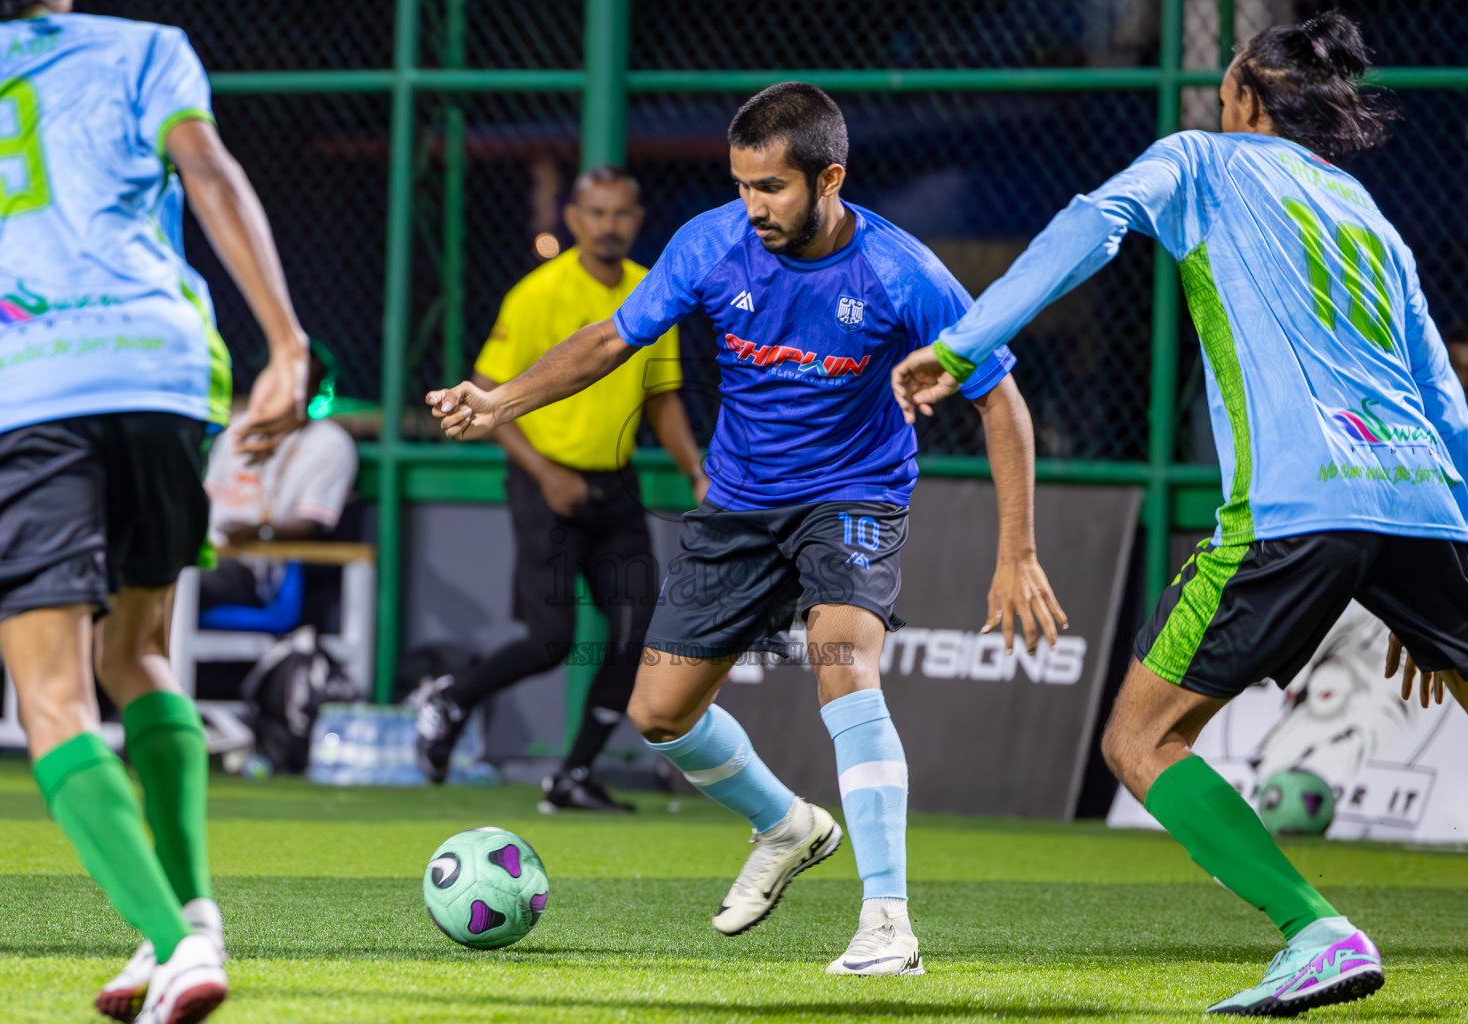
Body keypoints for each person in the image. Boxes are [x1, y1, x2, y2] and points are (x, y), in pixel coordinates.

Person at [891, 12, 1467, 1016]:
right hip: (1424, 493)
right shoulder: (1365, 208)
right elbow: (1445, 400)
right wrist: (1444, 557)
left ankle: (1317, 932)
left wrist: (965, 343)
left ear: (1243, 90)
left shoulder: (1199, 157)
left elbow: (1088, 226)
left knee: (1140, 739)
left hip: (1298, 498)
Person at [428, 83, 1065, 976]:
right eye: (741, 185)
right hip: (737, 504)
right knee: (658, 714)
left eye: (771, 187)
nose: (752, 205)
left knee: (842, 658)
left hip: (853, 495)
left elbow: (1001, 397)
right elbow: (610, 340)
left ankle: (888, 924)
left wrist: (1019, 551)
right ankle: (787, 825)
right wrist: (501, 401)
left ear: (828, 177)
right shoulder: (711, 244)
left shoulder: (901, 270)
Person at [0, 3, 311, 1022]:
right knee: (137, 652)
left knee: (49, 699)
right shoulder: (145, 45)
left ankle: (176, 942)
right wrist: (286, 340)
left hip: (17, 387)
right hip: (159, 370)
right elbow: (212, 173)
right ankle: (188, 916)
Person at [416, 164, 706, 811]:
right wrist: (547, 473)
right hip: (543, 481)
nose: (609, 226)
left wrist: (695, 470)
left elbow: (662, 400)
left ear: (638, 219)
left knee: (637, 634)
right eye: (596, 213)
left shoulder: (650, 291)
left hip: (616, 488)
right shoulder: (538, 293)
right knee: (551, 641)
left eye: (621, 213)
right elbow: (488, 393)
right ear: (573, 220)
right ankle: (450, 699)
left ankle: (571, 777)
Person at [201, 351, 358, 609]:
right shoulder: (237, 430)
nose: (284, 389)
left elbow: (312, 523)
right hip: (207, 553)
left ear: (314, 390)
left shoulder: (330, 444)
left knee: (185, 582)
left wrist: (261, 532)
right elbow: (208, 496)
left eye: (298, 382)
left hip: (256, 570)